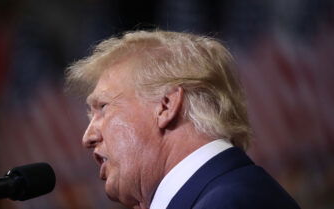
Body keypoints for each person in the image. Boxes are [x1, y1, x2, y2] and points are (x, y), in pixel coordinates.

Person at [65, 30, 301, 209]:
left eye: (103, 108)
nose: (88, 137)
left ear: (166, 106)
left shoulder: (227, 202)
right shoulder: (229, 192)